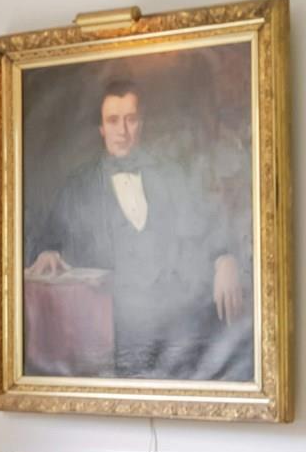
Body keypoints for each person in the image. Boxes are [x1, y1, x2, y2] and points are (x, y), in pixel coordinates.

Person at [25, 74, 250, 380]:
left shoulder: (173, 176)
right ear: (102, 129)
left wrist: (225, 259)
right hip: (114, 330)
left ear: (141, 124)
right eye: (113, 121)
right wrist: (47, 251)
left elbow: (210, 222)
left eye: (130, 119)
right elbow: (50, 234)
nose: (122, 130)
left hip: (173, 327)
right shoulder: (78, 186)